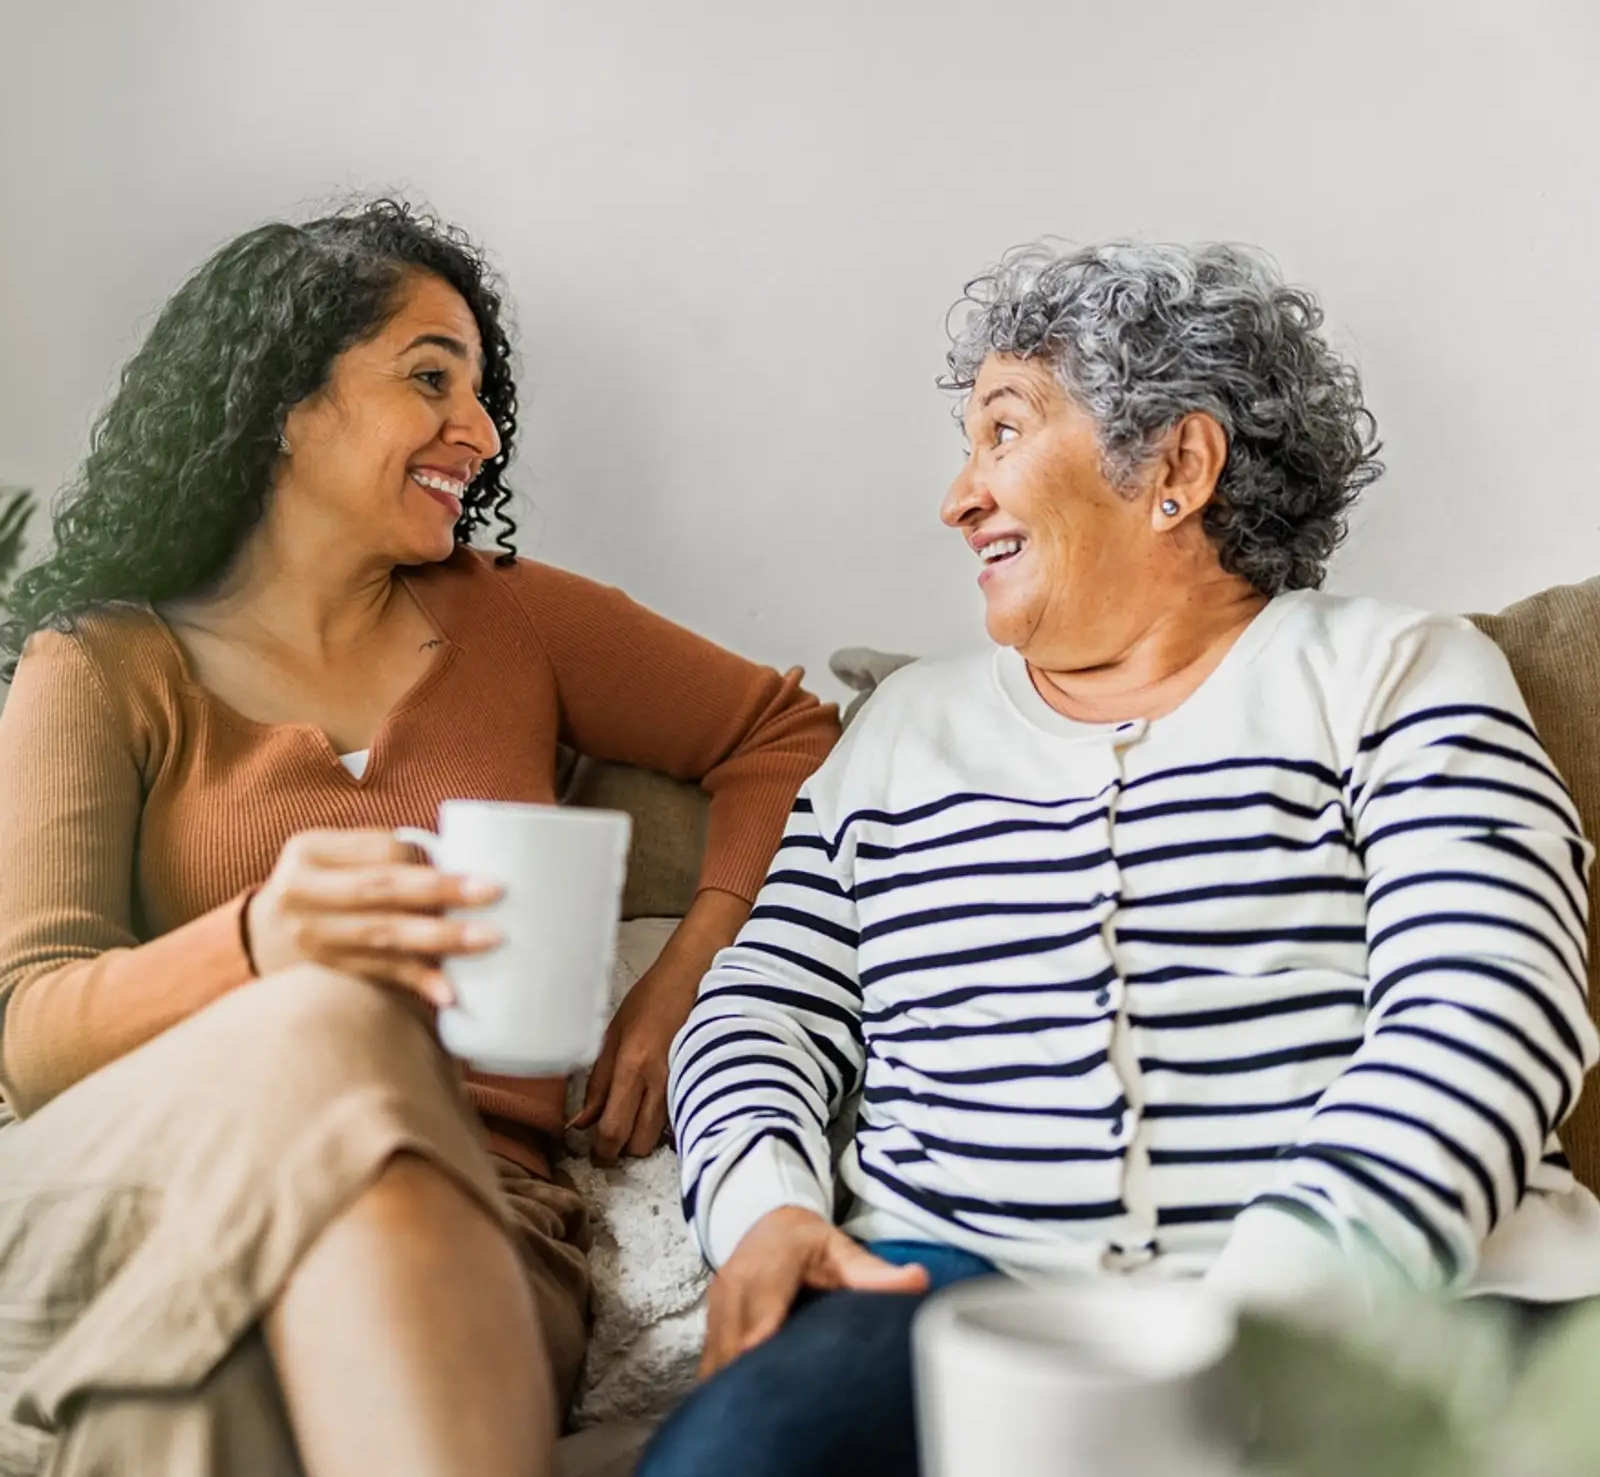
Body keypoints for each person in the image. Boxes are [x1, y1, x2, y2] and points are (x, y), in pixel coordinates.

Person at [644, 242, 1600, 1477]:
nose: (958, 496)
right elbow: (762, 1009)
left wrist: (1275, 1299)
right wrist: (762, 1204)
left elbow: (1491, 1001)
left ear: (1176, 467)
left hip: (1405, 1296)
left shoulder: (1389, 670)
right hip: (952, 1292)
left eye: (1002, 432)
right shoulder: (899, 735)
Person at [0, 199, 839, 1477]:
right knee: (336, 1016)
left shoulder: (519, 623)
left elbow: (786, 735)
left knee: (162, 1410)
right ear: (288, 404)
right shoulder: (97, 669)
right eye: (429, 376)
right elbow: (34, 1031)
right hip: (181, 1181)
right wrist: (262, 945)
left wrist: (688, 973)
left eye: (483, 390)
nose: (482, 429)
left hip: (482, 1211)